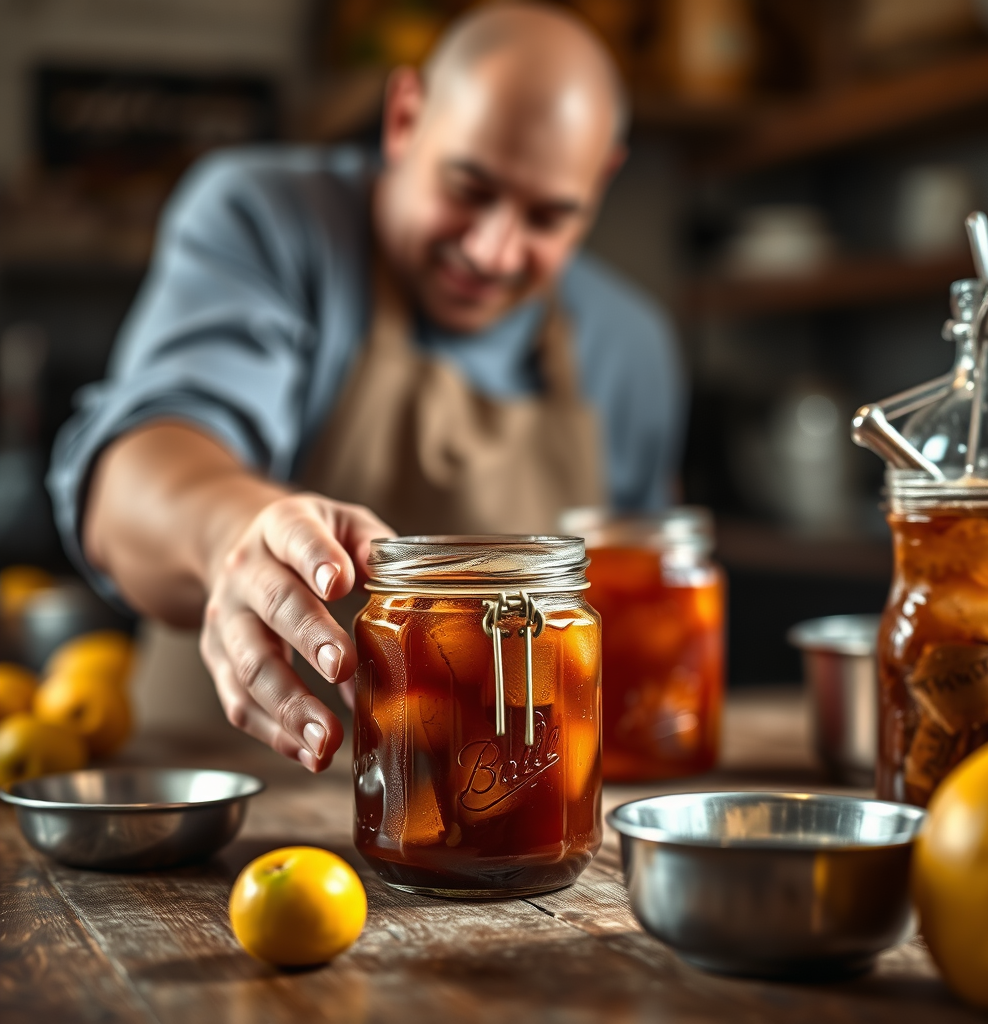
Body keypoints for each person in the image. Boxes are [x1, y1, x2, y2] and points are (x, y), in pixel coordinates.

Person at [48, 3, 686, 773]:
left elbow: (638, 609)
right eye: (468, 187)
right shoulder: (264, 219)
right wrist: (232, 535)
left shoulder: (634, 348)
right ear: (405, 116)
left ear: (602, 179)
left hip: (494, 814)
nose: (493, 249)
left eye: (550, 217)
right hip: (233, 802)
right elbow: (138, 471)